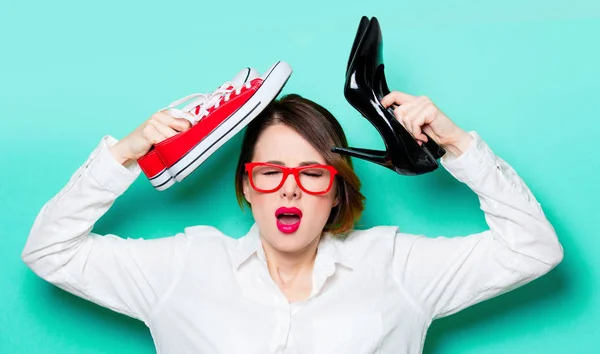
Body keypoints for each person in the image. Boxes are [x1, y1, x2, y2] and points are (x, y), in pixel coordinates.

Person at [22, 90, 563, 353]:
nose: (289, 186)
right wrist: (128, 153)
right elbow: (50, 251)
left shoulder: (397, 266)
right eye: (271, 171)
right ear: (246, 187)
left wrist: (457, 145)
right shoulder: (182, 267)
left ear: (334, 195)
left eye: (312, 173)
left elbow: (533, 250)